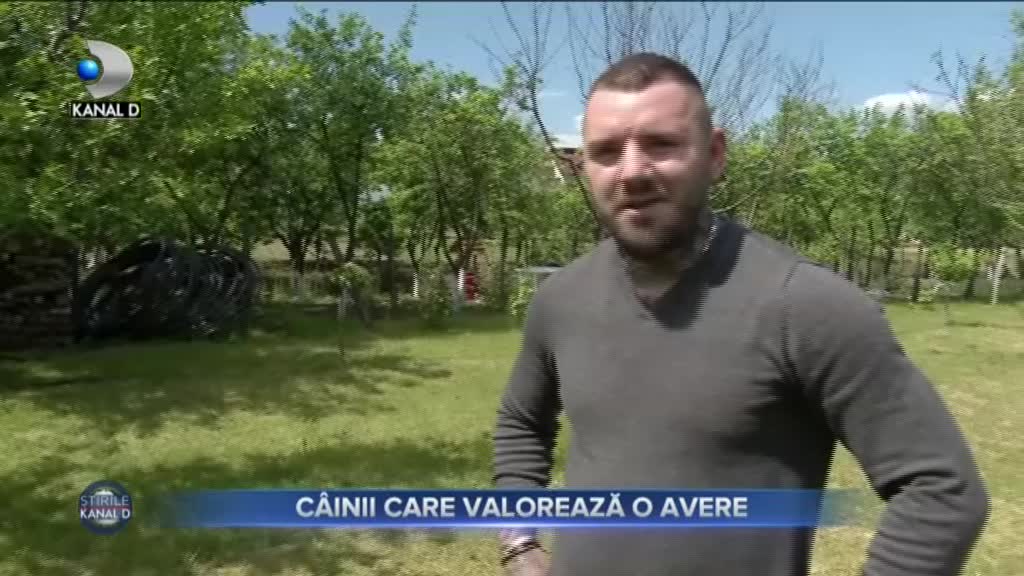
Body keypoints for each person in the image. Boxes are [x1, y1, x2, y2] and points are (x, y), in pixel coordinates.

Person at [492, 53, 989, 576]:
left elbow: (942, 493)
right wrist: (519, 544)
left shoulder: (805, 305)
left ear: (715, 155)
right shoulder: (562, 298)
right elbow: (522, 423)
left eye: (661, 144)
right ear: (584, 166)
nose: (632, 171)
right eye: (606, 151)